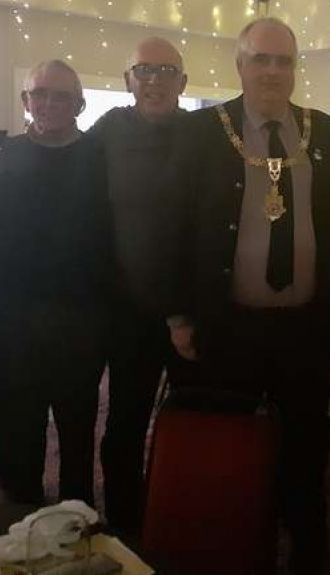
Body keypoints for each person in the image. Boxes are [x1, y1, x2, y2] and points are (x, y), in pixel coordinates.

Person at [166, 18, 330, 574]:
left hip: (303, 328)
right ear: (240, 65)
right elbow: (175, 226)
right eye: (262, 60)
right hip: (228, 326)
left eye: (284, 61)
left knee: (305, 452)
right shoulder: (201, 131)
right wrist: (178, 314)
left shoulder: (328, 132)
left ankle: (307, 555)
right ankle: (231, 552)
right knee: (229, 452)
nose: (274, 71)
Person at [0, 59, 113, 506]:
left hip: (82, 317)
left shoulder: (101, 157)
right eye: (39, 93)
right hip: (17, 315)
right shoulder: (5, 156)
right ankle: (20, 512)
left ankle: (76, 514)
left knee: (78, 423)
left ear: (79, 104)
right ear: (25, 100)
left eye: (61, 96)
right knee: (20, 423)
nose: (48, 103)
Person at [87, 37, 187, 533]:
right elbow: (57, 154)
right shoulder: (107, 131)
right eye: (143, 69)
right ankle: (126, 521)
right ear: (128, 80)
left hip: (191, 310)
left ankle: (181, 512)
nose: (154, 79)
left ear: (182, 83)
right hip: (128, 311)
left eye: (166, 69)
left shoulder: (204, 133)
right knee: (126, 422)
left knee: (191, 419)